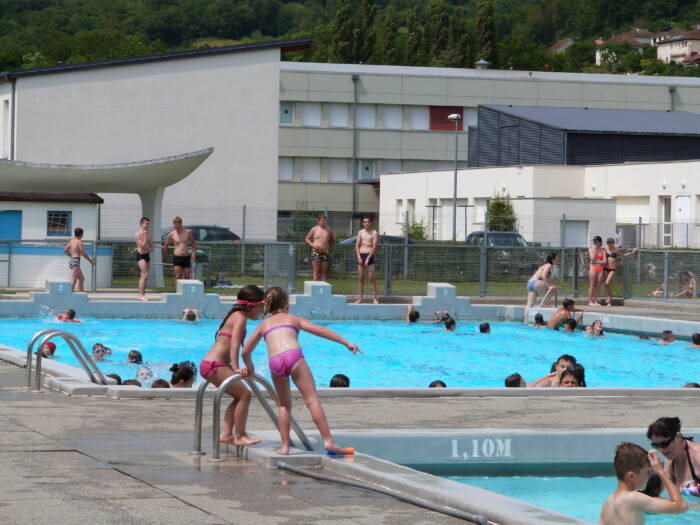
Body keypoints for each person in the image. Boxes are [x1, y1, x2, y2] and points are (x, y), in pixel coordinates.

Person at [242, 287, 361, 455]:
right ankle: (328, 441)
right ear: (286, 304)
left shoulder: (263, 325)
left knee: (283, 405)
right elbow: (321, 330)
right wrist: (346, 342)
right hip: (293, 356)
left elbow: (245, 351)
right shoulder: (293, 319)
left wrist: (250, 368)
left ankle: (284, 447)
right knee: (312, 400)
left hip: (275, 361)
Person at [199, 285, 265, 447]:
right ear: (252, 305)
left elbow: (226, 345)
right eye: (261, 307)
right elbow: (235, 344)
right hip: (215, 365)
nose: (262, 311)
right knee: (245, 395)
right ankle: (240, 435)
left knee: (239, 396)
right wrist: (236, 368)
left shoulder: (235, 316)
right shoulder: (240, 318)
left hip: (211, 364)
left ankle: (227, 434)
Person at [599, 442, 687, 524]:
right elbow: (681, 506)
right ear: (631, 476)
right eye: (647, 473)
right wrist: (660, 470)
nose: (649, 477)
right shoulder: (633, 498)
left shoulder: (608, 502)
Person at [647, 417, 700, 500]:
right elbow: (668, 493)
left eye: (665, 444)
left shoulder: (697, 456)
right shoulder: (670, 457)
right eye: (656, 445)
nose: (661, 450)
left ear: (678, 436)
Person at [603, 238, 637, 306]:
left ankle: (609, 299)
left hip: (612, 269)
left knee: (607, 283)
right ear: (607, 243)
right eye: (609, 242)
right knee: (607, 285)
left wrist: (632, 252)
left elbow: (623, 255)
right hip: (605, 268)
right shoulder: (605, 250)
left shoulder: (616, 250)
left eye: (611, 242)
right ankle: (608, 300)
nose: (610, 244)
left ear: (613, 243)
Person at [524, 253, 558, 322]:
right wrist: (549, 286)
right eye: (556, 258)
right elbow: (543, 275)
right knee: (554, 288)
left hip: (530, 283)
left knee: (529, 304)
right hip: (536, 282)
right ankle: (544, 303)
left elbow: (539, 274)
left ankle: (526, 321)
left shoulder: (543, 265)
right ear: (553, 259)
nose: (558, 259)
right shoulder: (549, 265)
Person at [162, 216, 196, 281]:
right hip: (177, 257)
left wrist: (194, 254)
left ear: (180, 223)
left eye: (177, 224)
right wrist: (164, 256)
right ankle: (178, 291)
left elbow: (193, 243)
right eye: (174, 225)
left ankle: (186, 291)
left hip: (186, 256)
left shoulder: (188, 232)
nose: (175, 226)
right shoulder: (172, 234)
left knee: (187, 276)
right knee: (178, 276)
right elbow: (166, 245)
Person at [354, 216, 379, 304]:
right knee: (361, 278)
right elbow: (357, 245)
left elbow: (374, 246)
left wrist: (368, 258)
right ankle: (360, 298)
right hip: (361, 255)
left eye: (368, 222)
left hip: (370, 255)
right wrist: (358, 256)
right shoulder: (360, 232)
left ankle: (375, 298)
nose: (366, 223)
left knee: (371, 278)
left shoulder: (374, 233)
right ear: (362, 223)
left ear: (371, 223)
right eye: (365, 222)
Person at [304, 214, 335, 282]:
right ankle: (315, 288)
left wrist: (327, 244)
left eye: (325, 221)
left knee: (323, 272)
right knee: (316, 271)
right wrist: (313, 245)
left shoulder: (328, 230)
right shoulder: (314, 229)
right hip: (316, 252)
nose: (324, 222)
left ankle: (322, 289)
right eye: (322, 221)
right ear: (319, 221)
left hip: (325, 252)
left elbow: (333, 240)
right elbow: (307, 239)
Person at [64, 227, 95, 292]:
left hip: (73, 261)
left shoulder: (71, 241)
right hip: (76, 261)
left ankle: (81, 294)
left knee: (81, 279)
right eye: (82, 234)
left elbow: (65, 250)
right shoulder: (79, 242)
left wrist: (71, 255)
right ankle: (69, 295)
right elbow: (83, 253)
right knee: (74, 279)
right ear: (81, 234)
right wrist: (90, 261)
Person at [134, 217, 154, 302]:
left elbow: (152, 246)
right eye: (147, 224)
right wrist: (145, 237)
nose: (148, 225)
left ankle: (142, 295)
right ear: (142, 224)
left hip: (147, 255)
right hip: (140, 256)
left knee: (145, 276)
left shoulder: (148, 234)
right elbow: (142, 245)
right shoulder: (138, 234)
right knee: (145, 275)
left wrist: (149, 249)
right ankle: (141, 295)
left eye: (149, 224)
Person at [588, 236, 606, 306]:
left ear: (600, 242)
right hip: (593, 268)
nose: (595, 243)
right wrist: (595, 249)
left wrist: (596, 261)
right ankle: (590, 301)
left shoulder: (603, 250)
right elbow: (592, 259)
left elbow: (604, 261)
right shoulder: (591, 248)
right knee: (592, 285)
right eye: (594, 241)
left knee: (598, 285)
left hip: (600, 269)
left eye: (596, 241)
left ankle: (595, 301)